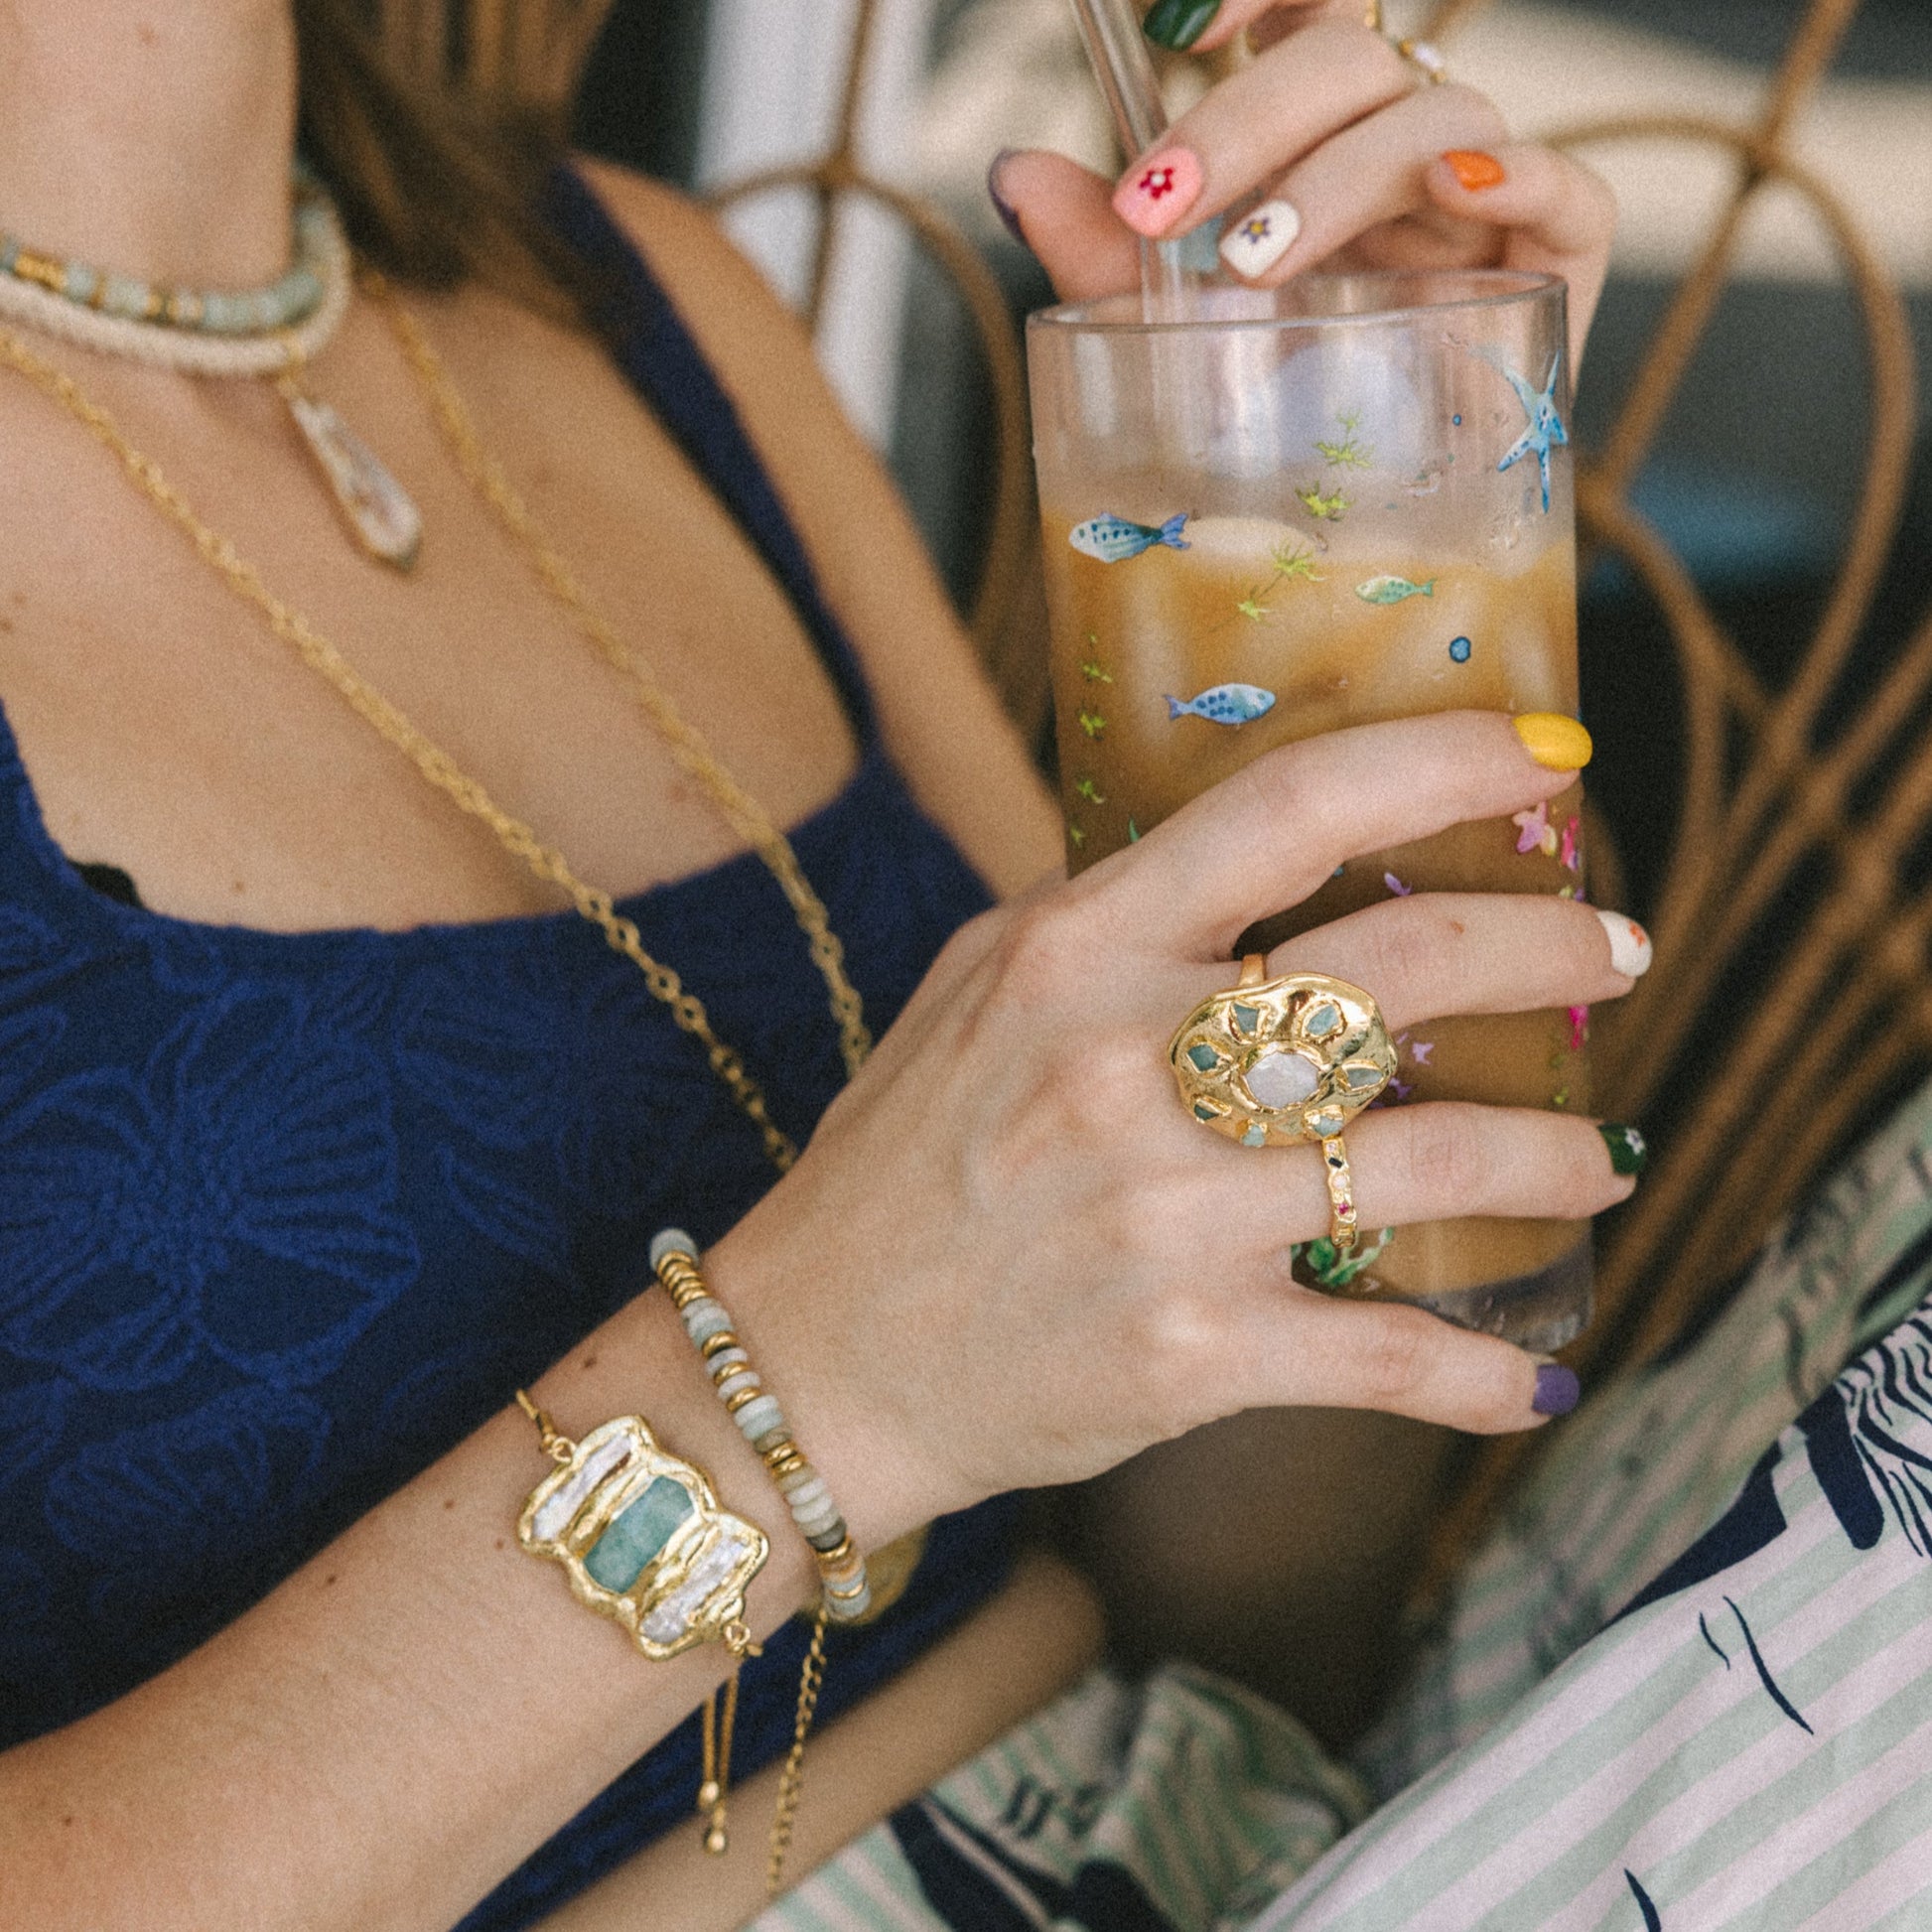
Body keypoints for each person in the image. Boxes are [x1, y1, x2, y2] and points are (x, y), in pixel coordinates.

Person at [0, 1, 1674, 1927]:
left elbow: (1241, 1599)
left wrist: (1361, 559)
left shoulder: (630, 292)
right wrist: (803, 1388)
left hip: (1191, 1836)